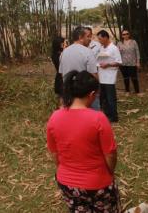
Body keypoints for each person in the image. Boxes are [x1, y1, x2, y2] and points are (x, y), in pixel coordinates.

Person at [46, 70, 121, 212]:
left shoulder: (54, 117)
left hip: (67, 183)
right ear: (92, 94)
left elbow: (54, 153)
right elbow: (110, 154)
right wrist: (110, 172)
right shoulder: (98, 118)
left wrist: (66, 170)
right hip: (97, 184)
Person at [97, 30, 122, 123]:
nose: (99, 41)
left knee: (111, 98)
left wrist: (108, 65)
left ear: (106, 37)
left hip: (110, 78)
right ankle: (107, 115)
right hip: (101, 76)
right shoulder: (102, 48)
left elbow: (119, 62)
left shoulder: (114, 48)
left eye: (100, 39)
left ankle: (114, 117)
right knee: (103, 98)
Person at [117, 30, 141, 94]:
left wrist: (138, 62)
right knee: (126, 78)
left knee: (134, 77)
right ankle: (127, 91)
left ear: (129, 34)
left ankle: (137, 91)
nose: (125, 35)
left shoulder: (133, 42)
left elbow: (137, 52)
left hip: (132, 63)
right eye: (124, 34)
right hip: (123, 63)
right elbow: (117, 53)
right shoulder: (119, 43)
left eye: (127, 34)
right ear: (122, 36)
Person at [85, 27, 102, 111]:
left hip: (95, 71)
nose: (88, 36)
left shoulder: (97, 45)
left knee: (95, 91)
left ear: (91, 35)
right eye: (86, 35)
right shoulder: (80, 45)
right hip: (84, 73)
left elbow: (101, 57)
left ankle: (96, 111)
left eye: (89, 35)